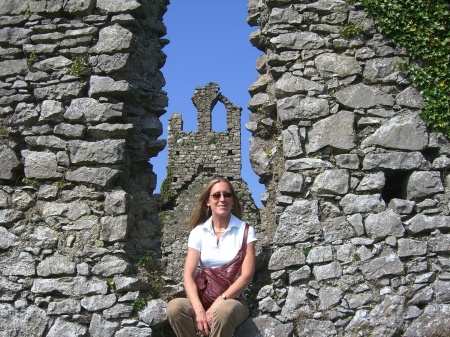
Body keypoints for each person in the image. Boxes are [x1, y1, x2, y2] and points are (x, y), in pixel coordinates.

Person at [167, 177, 257, 337]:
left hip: (233, 301)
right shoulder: (198, 232)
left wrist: (218, 303)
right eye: (216, 195)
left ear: (233, 200)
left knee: (225, 310)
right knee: (175, 308)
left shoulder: (245, 231)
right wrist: (198, 309)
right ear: (208, 201)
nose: (222, 199)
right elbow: (189, 275)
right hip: (203, 298)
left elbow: (247, 277)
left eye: (227, 195)